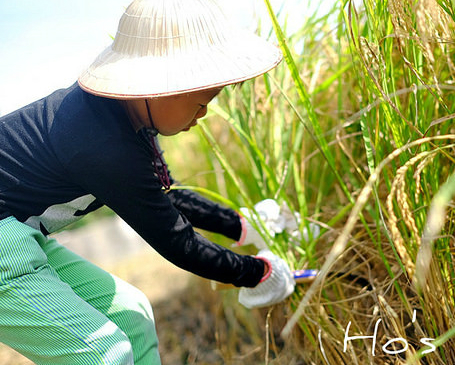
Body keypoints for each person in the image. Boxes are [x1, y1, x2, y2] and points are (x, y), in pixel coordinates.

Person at [0, 0, 296, 364]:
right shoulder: (101, 143)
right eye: (201, 103)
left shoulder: (125, 120)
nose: (203, 115)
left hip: (21, 233)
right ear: (162, 87)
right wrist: (258, 273)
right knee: (103, 353)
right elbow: (176, 240)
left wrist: (241, 225)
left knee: (132, 314)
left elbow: (166, 198)